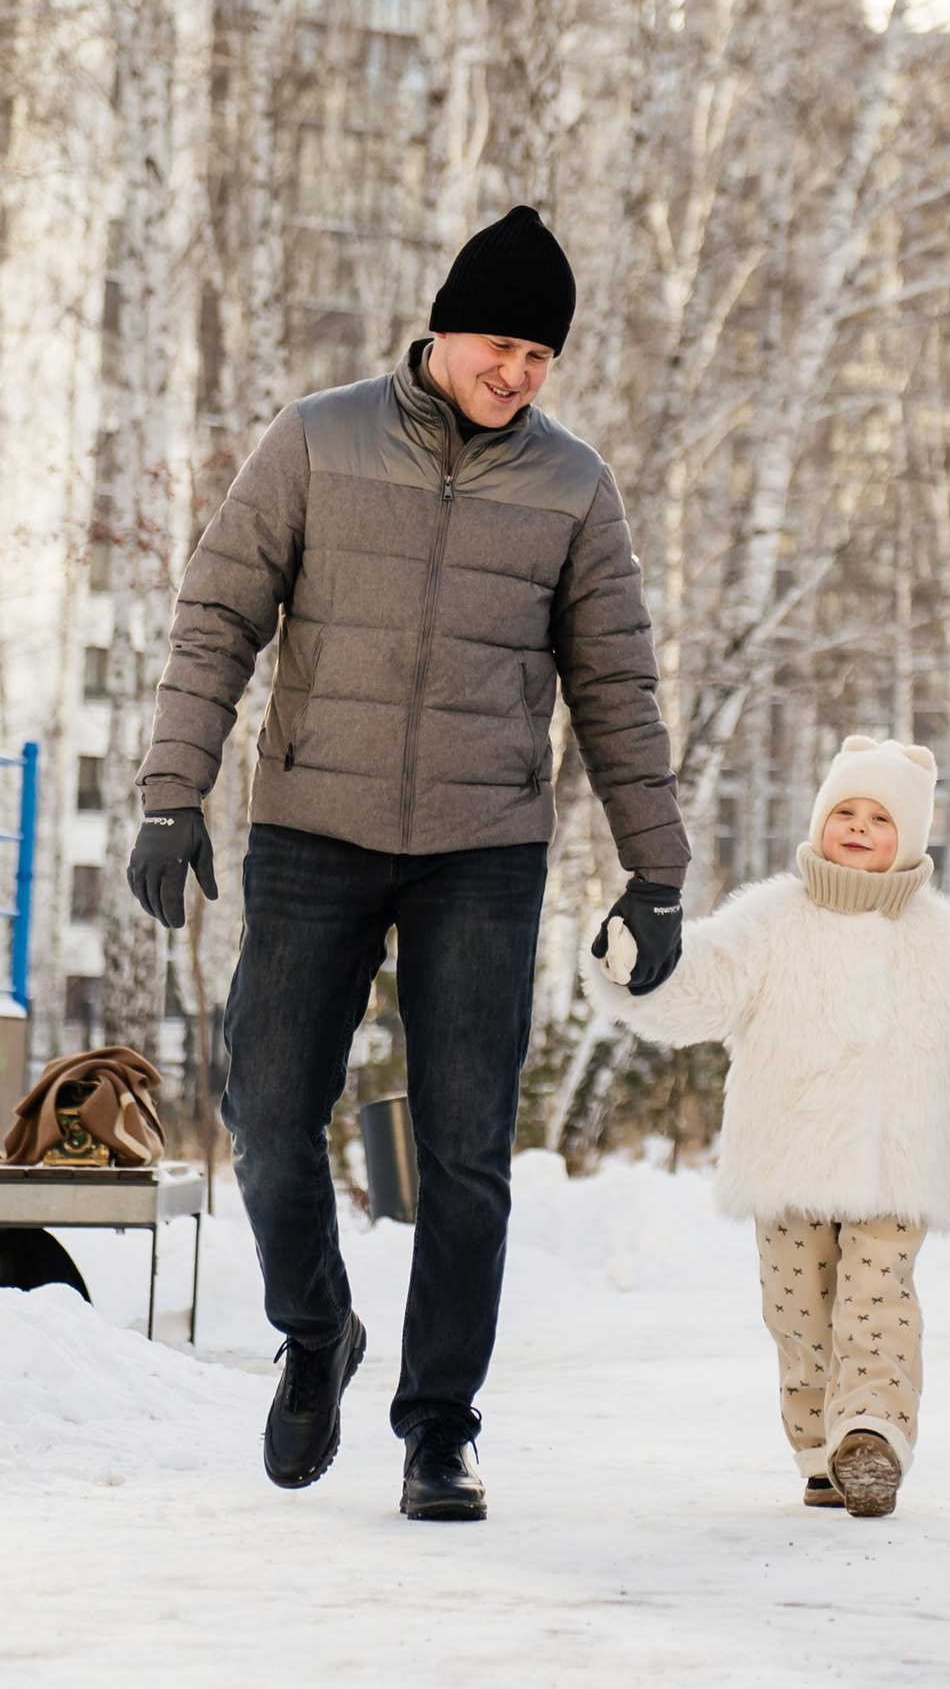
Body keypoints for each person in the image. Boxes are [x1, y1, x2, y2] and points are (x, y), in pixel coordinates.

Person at [125, 203, 687, 1523]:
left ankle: (440, 1428)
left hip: (482, 850)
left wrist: (655, 871)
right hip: (314, 828)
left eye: (542, 359)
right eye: (502, 346)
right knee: (267, 1119)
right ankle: (316, 1329)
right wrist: (170, 796)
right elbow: (217, 618)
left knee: (467, 1151)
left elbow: (616, 681)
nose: (519, 375)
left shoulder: (572, 486)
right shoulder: (316, 439)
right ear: (442, 331)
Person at [590, 733, 950, 1518]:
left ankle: (871, 1436)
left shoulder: (943, 937)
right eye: (845, 810)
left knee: (877, 1304)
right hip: (786, 1165)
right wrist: (636, 967)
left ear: (910, 837)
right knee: (797, 1314)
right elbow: (700, 987)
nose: (860, 826)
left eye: (880, 816)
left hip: (895, 1170)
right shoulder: (769, 919)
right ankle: (817, 1448)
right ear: (818, 820)